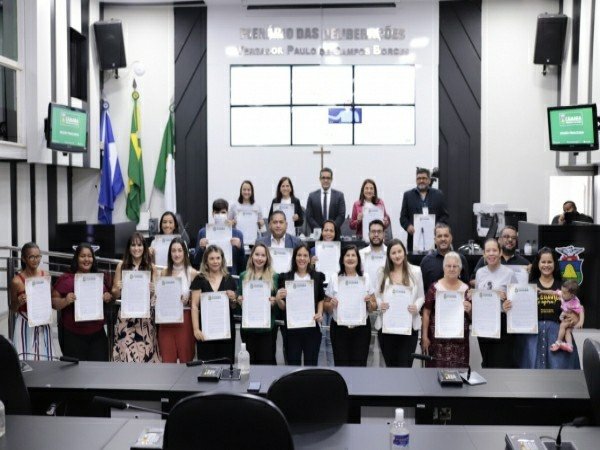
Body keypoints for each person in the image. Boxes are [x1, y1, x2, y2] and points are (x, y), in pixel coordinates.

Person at [512, 248, 581, 369]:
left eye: (549, 262)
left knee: (559, 376)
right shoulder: (529, 285)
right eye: (543, 262)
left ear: (555, 263)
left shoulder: (563, 286)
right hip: (532, 338)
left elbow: (575, 308)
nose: (546, 265)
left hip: (558, 335)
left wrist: (575, 317)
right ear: (537, 264)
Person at [51, 243, 113, 361]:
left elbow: (109, 297)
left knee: (98, 370)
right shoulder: (66, 279)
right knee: (75, 373)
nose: (86, 259)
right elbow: (53, 302)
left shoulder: (99, 278)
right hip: (73, 335)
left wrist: (107, 296)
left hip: (97, 335)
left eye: (89, 256)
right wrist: (65, 300)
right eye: (82, 256)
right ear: (76, 258)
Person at [112, 232, 161, 363]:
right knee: (126, 355)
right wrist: (118, 287)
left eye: (139, 245)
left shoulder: (152, 268)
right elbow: (114, 294)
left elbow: (156, 299)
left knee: (145, 355)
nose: (136, 248)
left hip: (145, 321)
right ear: (129, 248)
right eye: (133, 245)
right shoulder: (121, 266)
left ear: (144, 247)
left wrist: (154, 290)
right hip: (125, 320)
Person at [325, 245, 376, 367]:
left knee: (360, 365)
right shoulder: (334, 278)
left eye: (353, 255)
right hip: (339, 330)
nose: (350, 258)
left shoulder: (365, 277)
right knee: (341, 365)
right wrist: (331, 304)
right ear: (342, 259)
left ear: (358, 259)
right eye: (347, 255)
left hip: (361, 330)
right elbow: (326, 306)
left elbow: (374, 306)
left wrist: (369, 302)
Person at [376, 239, 425, 367]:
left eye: (399, 251)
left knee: (405, 366)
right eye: (393, 253)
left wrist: (417, 307)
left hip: (409, 328)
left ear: (404, 252)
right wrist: (380, 304)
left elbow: (421, 296)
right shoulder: (382, 272)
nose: (397, 255)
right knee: (391, 367)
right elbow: (376, 295)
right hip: (386, 328)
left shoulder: (416, 271)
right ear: (389, 256)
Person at [471, 238, 517, 368]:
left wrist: (508, 302)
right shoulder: (480, 273)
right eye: (488, 251)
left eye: (494, 250)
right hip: (484, 323)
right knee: (487, 362)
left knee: (501, 363)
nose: (491, 254)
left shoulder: (509, 273)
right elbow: (479, 298)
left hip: (502, 324)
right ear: (484, 254)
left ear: (500, 252)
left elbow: (516, 300)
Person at [276, 243, 325, 366]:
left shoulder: (317, 276)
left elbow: (320, 298)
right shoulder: (285, 277)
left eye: (305, 255)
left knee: (311, 365)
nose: (302, 258)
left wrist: (319, 313)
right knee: (292, 366)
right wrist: (278, 299)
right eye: (299, 255)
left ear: (309, 258)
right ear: (294, 257)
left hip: (312, 329)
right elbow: (283, 306)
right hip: (292, 330)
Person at [421, 252, 471, 368]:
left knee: (459, 378)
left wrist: (470, 310)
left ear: (460, 269)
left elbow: (473, 317)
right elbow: (426, 312)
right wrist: (424, 336)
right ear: (444, 268)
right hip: (437, 343)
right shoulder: (434, 288)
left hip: (460, 345)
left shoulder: (467, 289)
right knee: (434, 379)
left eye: (455, 266)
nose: (452, 269)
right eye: (448, 266)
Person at [190, 245, 238, 362]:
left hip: (225, 332)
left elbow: (233, 306)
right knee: (207, 367)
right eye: (211, 258)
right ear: (206, 261)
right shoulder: (199, 279)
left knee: (226, 366)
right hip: (206, 331)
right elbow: (194, 306)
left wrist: (234, 299)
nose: (215, 261)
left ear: (222, 260)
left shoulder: (229, 279)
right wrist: (196, 329)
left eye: (218, 258)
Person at [10, 242, 57, 360]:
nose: (36, 260)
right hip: (25, 322)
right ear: (24, 259)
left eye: (38, 256)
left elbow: (51, 298)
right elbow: (12, 308)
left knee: (46, 358)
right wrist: (19, 302)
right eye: (32, 257)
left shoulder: (45, 275)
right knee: (25, 358)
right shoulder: (17, 281)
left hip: (42, 320)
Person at [236, 243, 279, 365]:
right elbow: (239, 299)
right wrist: (239, 300)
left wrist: (274, 301)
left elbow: (277, 302)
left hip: (266, 330)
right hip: (248, 329)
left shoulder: (274, 277)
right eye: (257, 254)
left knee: (266, 365)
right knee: (249, 365)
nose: (259, 258)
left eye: (263, 255)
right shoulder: (243, 276)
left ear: (267, 258)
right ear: (251, 256)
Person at [158, 238, 198, 363]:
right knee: (167, 361)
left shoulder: (192, 273)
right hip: (166, 321)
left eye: (180, 250)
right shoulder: (164, 272)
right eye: (173, 251)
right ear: (170, 254)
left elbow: (197, 301)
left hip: (185, 320)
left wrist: (189, 299)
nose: (176, 254)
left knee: (186, 361)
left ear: (185, 253)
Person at [309, 219, 339, 366]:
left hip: (333, 294)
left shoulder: (340, 250)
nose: (328, 233)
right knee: (321, 335)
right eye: (325, 230)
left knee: (331, 337)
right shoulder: (314, 250)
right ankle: (320, 371)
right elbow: (308, 274)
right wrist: (311, 264)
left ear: (335, 233)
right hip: (319, 295)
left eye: (331, 230)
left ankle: (334, 370)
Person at [400, 168, 449, 252]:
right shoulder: (408, 195)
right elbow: (403, 217)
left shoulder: (439, 195)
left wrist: (439, 225)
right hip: (414, 240)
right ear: (416, 180)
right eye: (419, 178)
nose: (421, 181)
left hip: (434, 240)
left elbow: (445, 216)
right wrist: (408, 226)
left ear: (429, 180)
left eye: (424, 178)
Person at [194, 199, 244, 274]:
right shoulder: (203, 232)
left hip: (230, 275)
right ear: (212, 214)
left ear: (227, 213)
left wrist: (240, 247)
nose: (220, 215)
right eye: (217, 212)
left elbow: (242, 262)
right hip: (209, 275)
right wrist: (201, 248)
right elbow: (196, 261)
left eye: (223, 212)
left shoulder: (237, 234)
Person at [420, 223, 469, 292]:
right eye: (439, 236)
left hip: (457, 302)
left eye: (446, 236)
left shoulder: (461, 259)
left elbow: (466, 285)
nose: (443, 239)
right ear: (435, 240)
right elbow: (422, 288)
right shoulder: (426, 261)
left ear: (451, 238)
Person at [305, 167, 346, 232]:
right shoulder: (312, 196)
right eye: (323, 178)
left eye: (328, 178)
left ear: (331, 179)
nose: (326, 180)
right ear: (320, 179)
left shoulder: (339, 196)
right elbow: (309, 217)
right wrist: (321, 230)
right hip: (316, 235)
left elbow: (341, 215)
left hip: (334, 235)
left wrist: (330, 230)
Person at [548, 279, 585, 353]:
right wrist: (542, 291)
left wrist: (581, 321)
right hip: (566, 315)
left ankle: (558, 342)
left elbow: (581, 310)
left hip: (572, 319)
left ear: (572, 295)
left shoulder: (574, 302)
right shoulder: (563, 293)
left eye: (564, 293)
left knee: (562, 325)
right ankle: (569, 345)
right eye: (562, 291)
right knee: (567, 331)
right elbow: (553, 292)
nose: (562, 294)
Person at [359, 219, 388, 292]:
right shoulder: (360, 254)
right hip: (365, 297)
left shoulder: (390, 253)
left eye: (379, 232)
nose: (376, 235)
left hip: (385, 298)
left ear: (384, 234)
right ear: (368, 234)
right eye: (373, 231)